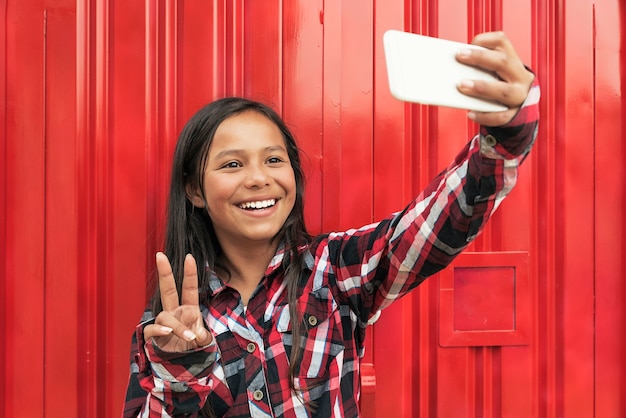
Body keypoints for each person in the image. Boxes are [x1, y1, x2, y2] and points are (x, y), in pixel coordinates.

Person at [122, 31, 540, 418]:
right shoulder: (168, 326)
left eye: (273, 160)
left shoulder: (335, 270)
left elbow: (432, 224)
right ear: (195, 190)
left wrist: (506, 136)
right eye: (232, 164)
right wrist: (181, 369)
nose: (258, 178)